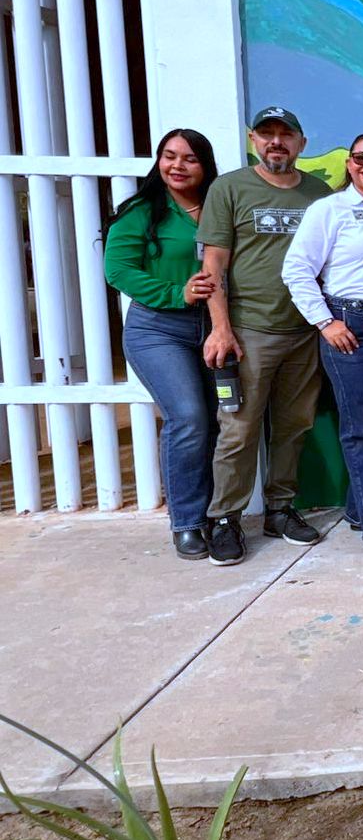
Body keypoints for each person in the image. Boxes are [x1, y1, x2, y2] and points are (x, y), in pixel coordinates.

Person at [198, 106, 333, 567]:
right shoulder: (229, 188)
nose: (277, 142)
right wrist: (221, 328)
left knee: (294, 426)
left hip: (305, 330)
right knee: (238, 430)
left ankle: (279, 509)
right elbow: (213, 264)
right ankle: (224, 518)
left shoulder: (319, 194)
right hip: (249, 331)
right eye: (267, 133)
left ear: (301, 144)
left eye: (286, 134)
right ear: (254, 139)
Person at [282, 133, 363, 561]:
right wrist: (325, 322)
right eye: (361, 158)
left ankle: (361, 509)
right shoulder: (329, 210)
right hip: (352, 324)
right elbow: (296, 269)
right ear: (349, 164)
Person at [104, 129, 221, 559]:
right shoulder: (142, 211)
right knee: (188, 418)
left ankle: (215, 514)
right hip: (159, 329)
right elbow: (118, 270)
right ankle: (187, 522)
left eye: (189, 158)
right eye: (169, 156)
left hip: (215, 326)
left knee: (218, 422)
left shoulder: (218, 207)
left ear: (205, 165)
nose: (177, 165)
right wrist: (177, 293)